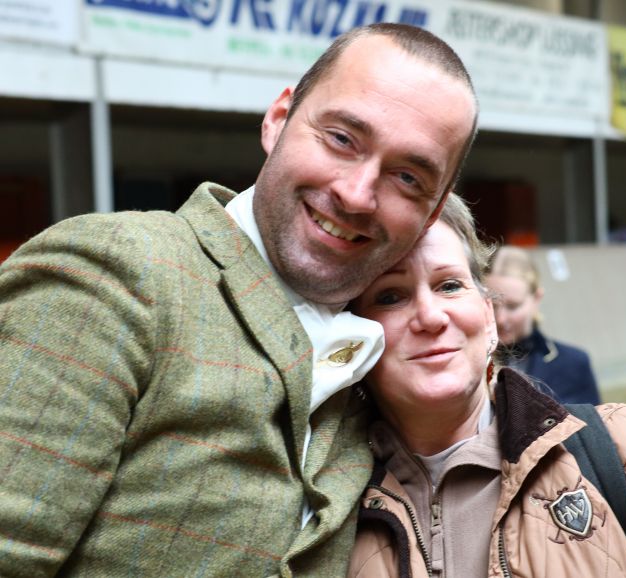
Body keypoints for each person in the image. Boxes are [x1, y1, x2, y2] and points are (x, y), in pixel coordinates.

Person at [0, 24, 478, 577]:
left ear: (434, 209)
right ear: (278, 120)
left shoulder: (378, 357)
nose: (355, 194)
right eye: (342, 139)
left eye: (408, 177)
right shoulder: (119, 269)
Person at [346, 194, 626, 577]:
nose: (431, 316)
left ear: (488, 316)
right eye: (390, 296)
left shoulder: (620, 450)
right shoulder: (330, 504)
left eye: (449, 285)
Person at [486, 245, 601, 404]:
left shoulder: (573, 363)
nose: (500, 319)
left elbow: (591, 419)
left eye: (513, 306)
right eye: (492, 306)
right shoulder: (470, 363)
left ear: (536, 299)